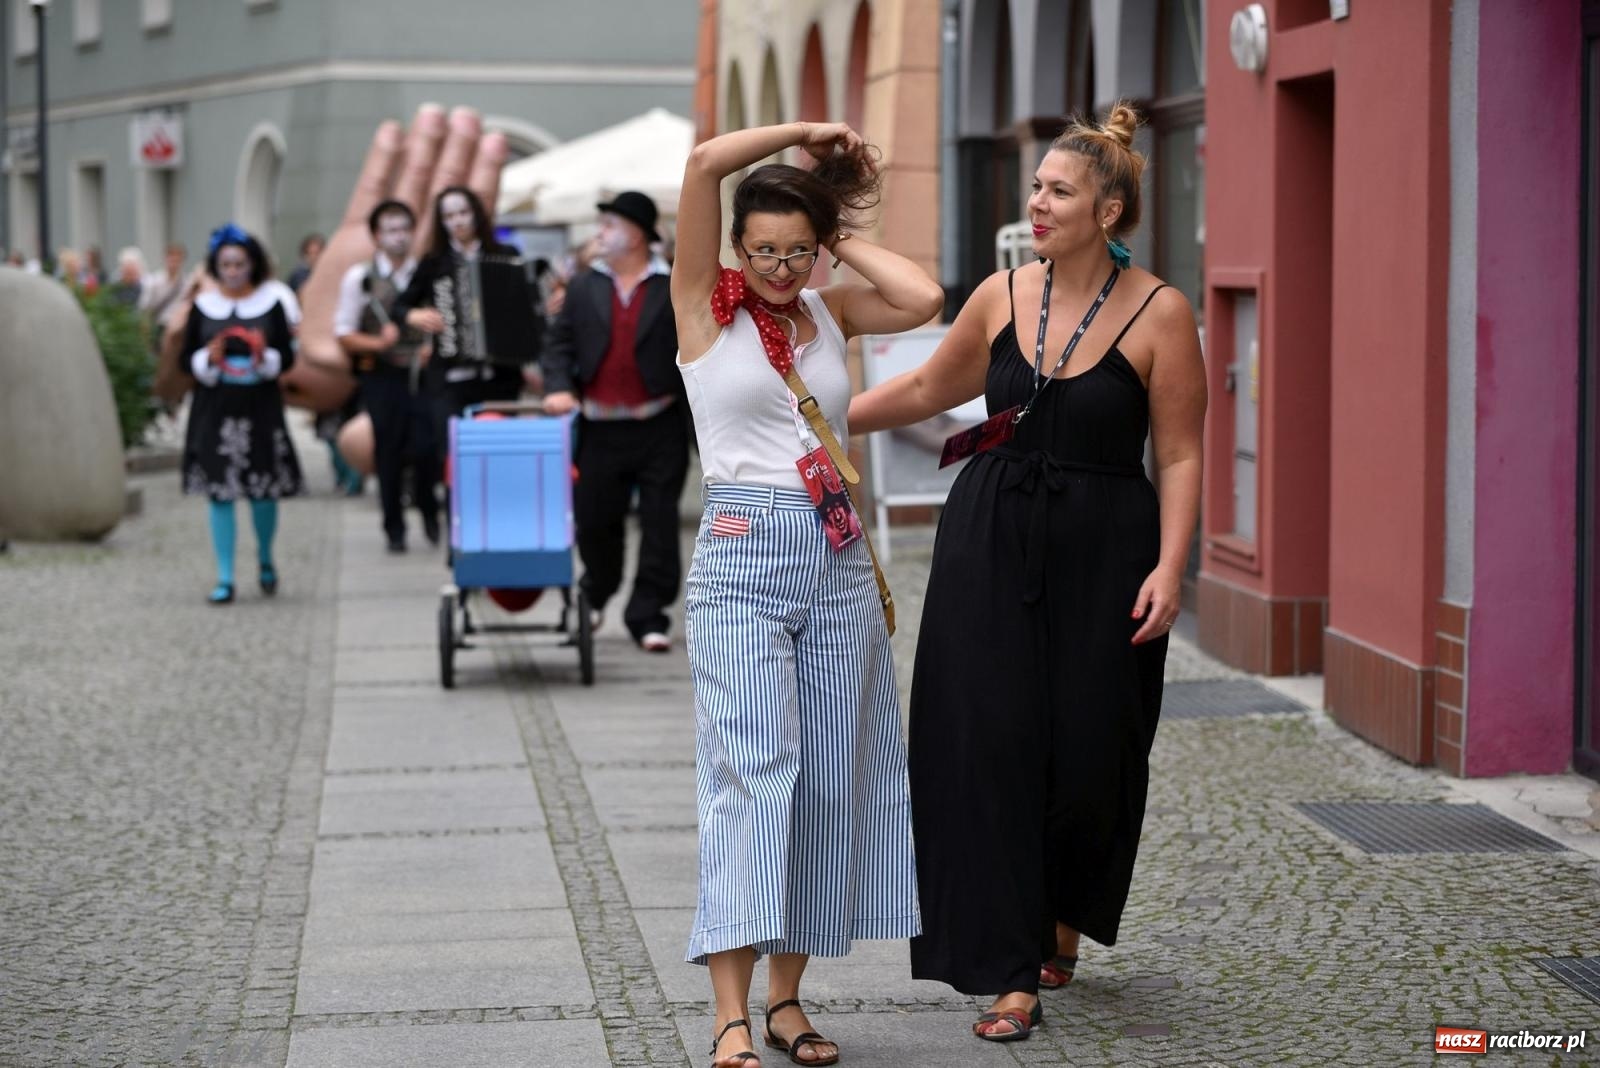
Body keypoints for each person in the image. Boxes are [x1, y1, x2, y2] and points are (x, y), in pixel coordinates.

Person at [848, 103, 1206, 1043]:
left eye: (1059, 191)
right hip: (990, 539)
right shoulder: (1002, 294)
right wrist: (813, 419)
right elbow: (931, 389)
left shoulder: (1164, 313)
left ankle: (1062, 918)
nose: (1037, 203)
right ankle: (1012, 972)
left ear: (1111, 211)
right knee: (988, 742)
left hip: (1107, 549)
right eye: (1036, 187)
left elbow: (1178, 454)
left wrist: (1172, 567)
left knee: (1093, 750)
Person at [672, 120, 944, 1068]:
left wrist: (834, 236)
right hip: (745, 550)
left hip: (836, 558)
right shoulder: (704, 309)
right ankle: (729, 1012)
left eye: (797, 250)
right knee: (753, 775)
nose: (782, 267)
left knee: (833, 775)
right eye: (766, 250)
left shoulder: (830, 311)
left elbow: (922, 296)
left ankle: (789, 1000)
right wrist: (804, 135)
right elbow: (706, 163)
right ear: (736, 248)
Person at [541, 192, 686, 652]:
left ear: (638, 233)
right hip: (599, 426)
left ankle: (648, 614)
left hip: (658, 422)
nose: (600, 232)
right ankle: (596, 594)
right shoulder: (585, 286)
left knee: (659, 522)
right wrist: (558, 386)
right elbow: (558, 345)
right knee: (595, 519)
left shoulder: (673, 285)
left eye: (609, 224)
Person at [179, 223, 305, 604]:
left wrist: (263, 355)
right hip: (215, 410)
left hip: (260, 408)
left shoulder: (272, 304)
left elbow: (287, 357)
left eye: (240, 263)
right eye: (226, 264)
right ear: (216, 267)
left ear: (253, 264)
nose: (233, 271)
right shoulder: (203, 307)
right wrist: (210, 358)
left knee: (262, 493)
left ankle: (265, 559)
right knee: (220, 494)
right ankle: (225, 575)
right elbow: (187, 360)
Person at [393, 186, 541, 437]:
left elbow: (530, 303)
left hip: (501, 374)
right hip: (450, 376)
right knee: (453, 450)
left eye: (463, 212)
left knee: (498, 445)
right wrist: (414, 316)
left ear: (476, 214)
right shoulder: (435, 262)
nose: (457, 221)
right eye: (449, 217)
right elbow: (399, 306)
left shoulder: (506, 254)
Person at [335, 199, 440, 552]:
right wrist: (377, 343)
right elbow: (345, 333)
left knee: (427, 446)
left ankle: (429, 512)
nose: (399, 237)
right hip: (382, 374)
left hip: (423, 373)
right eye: (391, 230)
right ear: (377, 237)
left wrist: (434, 346)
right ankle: (393, 526)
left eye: (404, 229)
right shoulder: (361, 278)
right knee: (389, 450)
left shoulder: (425, 273)